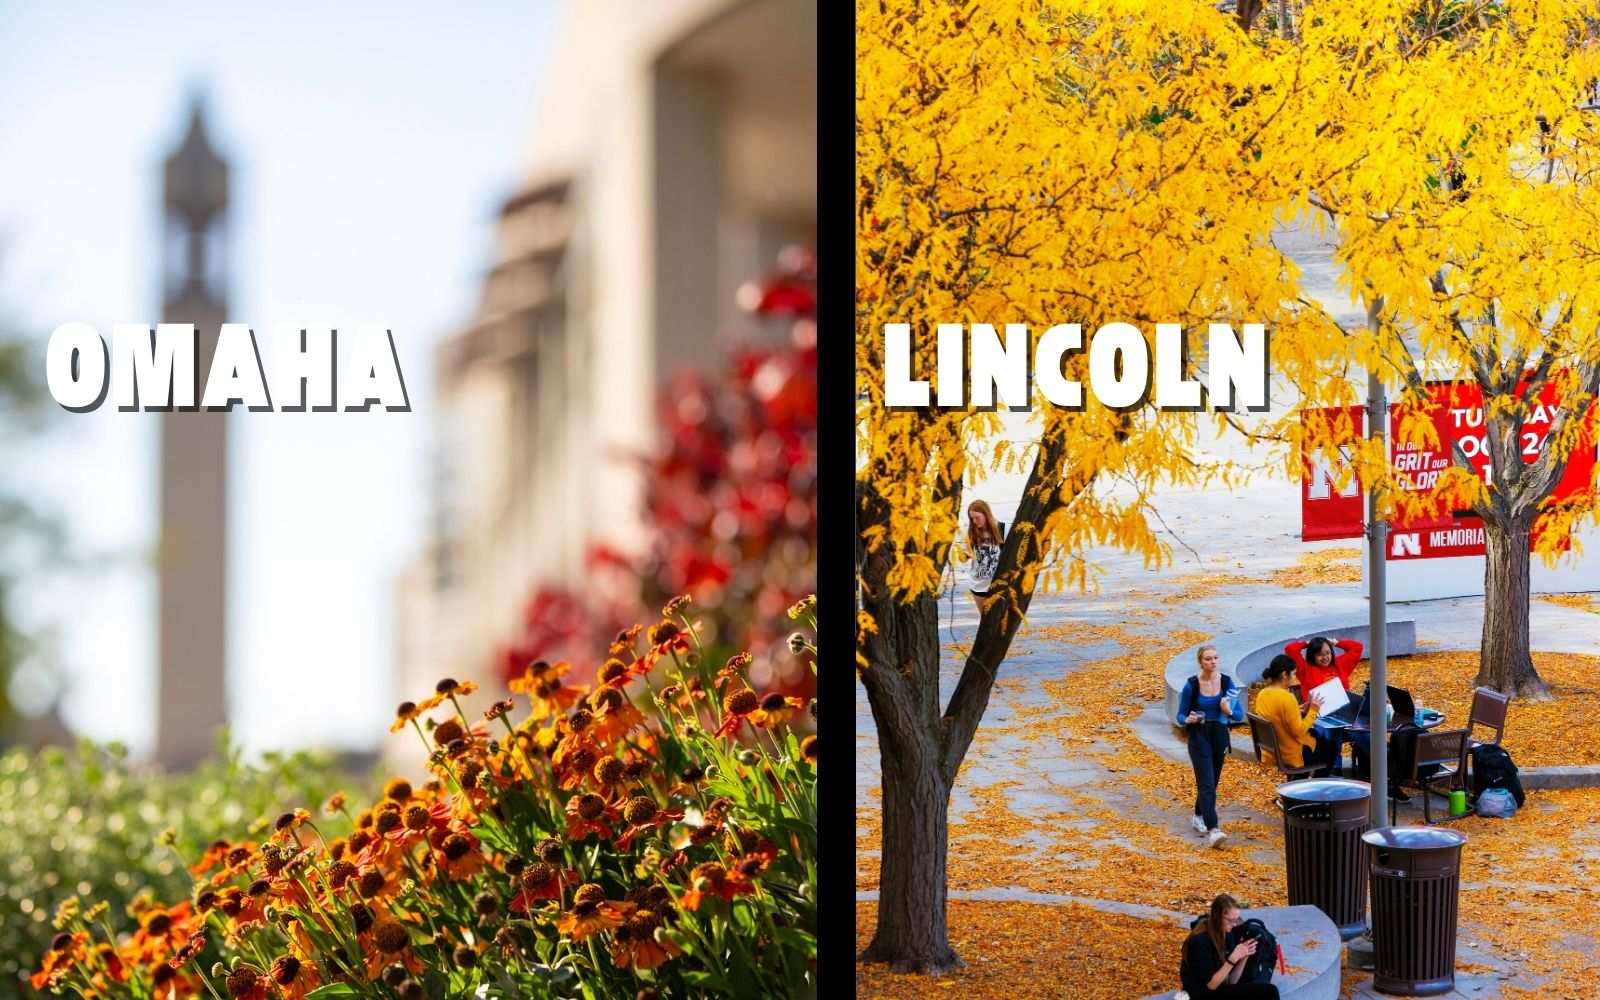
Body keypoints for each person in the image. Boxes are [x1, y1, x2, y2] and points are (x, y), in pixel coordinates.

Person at [1175, 645, 1243, 848]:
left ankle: (1198, 815)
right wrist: (1188, 719)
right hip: (1199, 735)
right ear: (1200, 662)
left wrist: (1227, 710)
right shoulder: (1192, 686)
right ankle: (1214, 829)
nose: (1213, 662)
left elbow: (1239, 715)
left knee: (1211, 782)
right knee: (1206, 783)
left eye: (1215, 658)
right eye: (1208, 659)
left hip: (1220, 734)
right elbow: (1180, 715)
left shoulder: (1226, 682)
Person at [1179, 894, 1281, 999]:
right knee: (1269, 992)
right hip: (1199, 994)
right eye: (1230, 920)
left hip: (1218, 989)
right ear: (1216, 916)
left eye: (1236, 920)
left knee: (1269, 990)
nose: (1234, 924)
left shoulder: (1227, 935)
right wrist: (1233, 958)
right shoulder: (1200, 941)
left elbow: (1232, 981)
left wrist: (1244, 956)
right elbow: (1211, 985)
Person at [1256, 654, 1339, 778]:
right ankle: (1316, 786)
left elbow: (1276, 714)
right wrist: (1313, 710)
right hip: (1290, 754)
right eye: (1294, 674)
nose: (1295, 678)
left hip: (1272, 750)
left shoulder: (1262, 694)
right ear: (1284, 674)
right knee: (1331, 747)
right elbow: (1299, 731)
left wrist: (1297, 710)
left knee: (1315, 734)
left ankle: (1300, 782)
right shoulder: (1287, 698)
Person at [1284, 635, 1362, 700]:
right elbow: (1290, 648)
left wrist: (1334, 642)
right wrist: (1308, 643)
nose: (1325, 657)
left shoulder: (1340, 664)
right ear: (1312, 656)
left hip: (1343, 708)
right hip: (1317, 712)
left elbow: (1357, 647)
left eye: (1327, 653)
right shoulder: (1305, 669)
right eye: (1319, 654)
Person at [964, 499, 1003, 610]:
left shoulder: (1002, 529)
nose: (975, 521)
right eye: (972, 519)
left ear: (986, 514)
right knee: (986, 621)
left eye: (977, 517)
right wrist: (963, 557)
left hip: (999, 585)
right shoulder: (968, 532)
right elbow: (962, 556)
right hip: (979, 586)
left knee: (1002, 620)